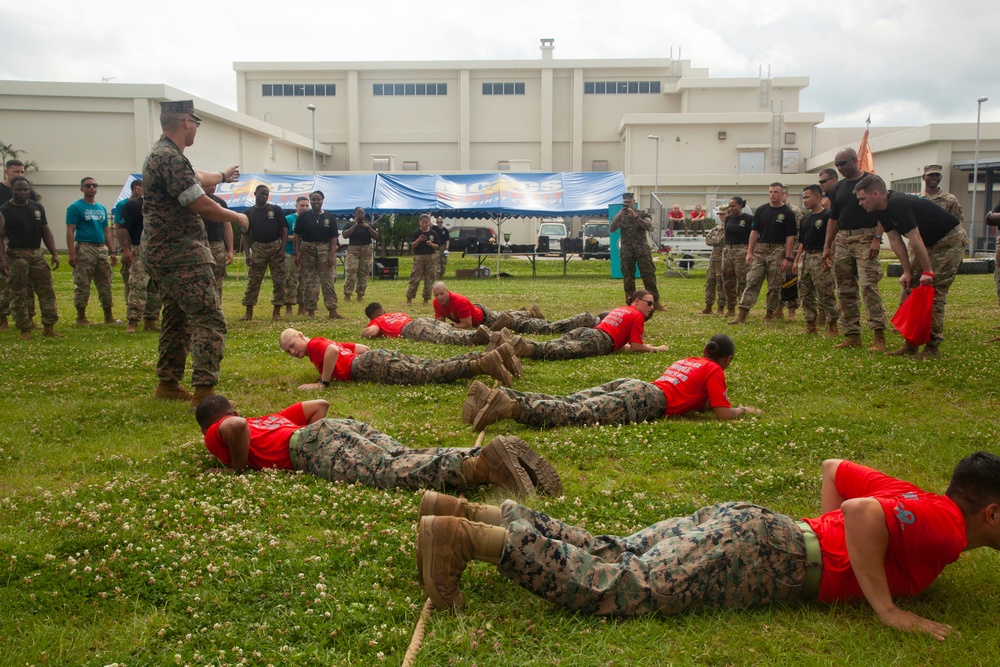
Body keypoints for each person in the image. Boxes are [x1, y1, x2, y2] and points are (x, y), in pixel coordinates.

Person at [418, 451, 1000, 643]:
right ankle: (465, 538)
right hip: (769, 554)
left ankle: (466, 509)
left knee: (616, 551)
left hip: (758, 527)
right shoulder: (948, 527)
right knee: (625, 587)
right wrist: (886, 607)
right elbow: (862, 511)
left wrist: (826, 540)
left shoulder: (921, 499)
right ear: (991, 512)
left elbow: (835, 470)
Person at [195, 396, 561, 497]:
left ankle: (482, 467)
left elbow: (234, 426)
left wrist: (237, 467)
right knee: (401, 457)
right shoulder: (267, 419)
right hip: (332, 426)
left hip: (307, 446)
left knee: (388, 472)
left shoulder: (216, 430)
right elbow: (318, 408)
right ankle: (486, 454)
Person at [141, 99, 249, 405]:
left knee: (177, 318)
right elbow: (200, 203)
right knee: (209, 318)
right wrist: (237, 217)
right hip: (181, 254)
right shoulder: (170, 158)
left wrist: (223, 175)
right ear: (187, 121)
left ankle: (167, 384)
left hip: (162, 254)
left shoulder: (163, 154)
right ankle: (204, 392)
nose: (197, 130)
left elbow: (199, 177)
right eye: (197, 124)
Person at [463, 333, 759, 431]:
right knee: (579, 414)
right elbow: (722, 413)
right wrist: (743, 410)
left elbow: (695, 396)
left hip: (635, 384)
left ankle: (496, 394)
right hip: (649, 400)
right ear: (727, 359)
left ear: (706, 350)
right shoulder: (714, 371)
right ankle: (509, 406)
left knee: (570, 400)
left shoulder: (688, 361)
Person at [854, 175, 965, 359]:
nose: (860, 204)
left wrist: (928, 271)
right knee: (910, 287)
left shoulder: (898, 204)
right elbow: (895, 239)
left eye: (862, 199)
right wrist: (907, 271)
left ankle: (932, 348)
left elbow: (915, 238)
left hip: (948, 239)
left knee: (932, 290)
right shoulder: (880, 208)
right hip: (928, 242)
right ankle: (911, 345)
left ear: (875, 194)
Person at [278, 328, 521, 388]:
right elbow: (360, 346)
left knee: (427, 374)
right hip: (374, 356)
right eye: (288, 352)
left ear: (300, 335)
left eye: (292, 345)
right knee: (431, 365)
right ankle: (492, 352)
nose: (293, 351)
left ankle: (481, 364)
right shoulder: (320, 342)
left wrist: (323, 382)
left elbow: (331, 353)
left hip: (367, 366)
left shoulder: (315, 345)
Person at [822, 148, 887, 351]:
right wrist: (827, 247)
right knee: (844, 290)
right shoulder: (839, 188)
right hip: (843, 240)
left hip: (866, 238)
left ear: (855, 160)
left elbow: (883, 212)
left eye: (843, 163)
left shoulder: (872, 182)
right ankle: (852, 334)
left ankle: (879, 336)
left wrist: (877, 238)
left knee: (869, 288)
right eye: (837, 165)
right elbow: (833, 219)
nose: (840, 168)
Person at [501, 290, 669, 362]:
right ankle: (525, 348)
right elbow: (636, 346)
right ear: (637, 301)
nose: (652, 307)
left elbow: (621, 342)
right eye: (649, 303)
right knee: (560, 351)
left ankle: (512, 342)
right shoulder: (637, 316)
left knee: (558, 342)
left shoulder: (621, 309)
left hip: (590, 331)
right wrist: (657, 349)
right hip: (599, 340)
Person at [0, 176, 62, 338]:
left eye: (26, 189)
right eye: (19, 189)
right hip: (16, 255)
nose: (23, 192)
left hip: (37, 254)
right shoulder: (5, 210)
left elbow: (45, 231)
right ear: (12, 190)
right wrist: (2, 260)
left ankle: (49, 327)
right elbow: (0, 236)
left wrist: (54, 253)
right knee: (19, 293)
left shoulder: (37, 208)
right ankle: (24, 328)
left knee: (46, 291)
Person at [728, 183, 796, 324]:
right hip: (761, 250)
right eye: (770, 192)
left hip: (778, 250)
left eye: (776, 192)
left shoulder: (788, 213)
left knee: (774, 284)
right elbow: (754, 232)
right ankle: (742, 314)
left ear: (782, 193)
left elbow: (790, 237)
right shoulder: (761, 210)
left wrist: (788, 257)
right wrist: (749, 253)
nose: (772, 194)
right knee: (752, 280)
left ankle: (769, 315)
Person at [432, 281, 598, 334]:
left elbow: (467, 325)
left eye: (442, 294)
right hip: (480, 313)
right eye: (437, 295)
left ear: (448, 291)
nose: (440, 298)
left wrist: (450, 326)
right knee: (504, 315)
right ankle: (523, 312)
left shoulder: (459, 301)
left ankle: (527, 314)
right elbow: (439, 323)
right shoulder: (437, 303)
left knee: (511, 323)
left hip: (484, 318)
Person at [66, 177, 118, 326]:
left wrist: (112, 251)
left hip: (101, 248)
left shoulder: (101, 208)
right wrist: (71, 253)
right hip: (85, 247)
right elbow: (70, 230)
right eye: (87, 185)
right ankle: (81, 317)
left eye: (94, 185)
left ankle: (108, 316)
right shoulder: (75, 207)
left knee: (105, 282)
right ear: (82, 189)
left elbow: (106, 230)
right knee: (83, 283)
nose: (91, 188)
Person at [792, 185, 838, 336]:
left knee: (825, 292)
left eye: (807, 197)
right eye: (803, 197)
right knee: (805, 293)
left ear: (818, 197)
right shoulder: (806, 218)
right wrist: (797, 260)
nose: (804, 200)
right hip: (806, 257)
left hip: (821, 256)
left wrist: (829, 257)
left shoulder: (828, 216)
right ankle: (810, 324)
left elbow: (833, 240)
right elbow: (802, 242)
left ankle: (832, 325)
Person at [0, 160, 39, 331]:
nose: (20, 175)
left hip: (26, 244)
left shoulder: (28, 193)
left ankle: (29, 318)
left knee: (27, 282)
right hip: (6, 241)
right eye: (16, 172)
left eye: (22, 172)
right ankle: (2, 318)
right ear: (6, 172)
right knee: (6, 281)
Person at [119, 179, 161, 334]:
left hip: (157, 251)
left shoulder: (160, 205)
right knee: (137, 286)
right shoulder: (133, 204)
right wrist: (125, 249)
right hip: (139, 249)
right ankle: (133, 321)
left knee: (155, 288)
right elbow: (123, 228)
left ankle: (151, 320)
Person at [240, 184, 288, 322]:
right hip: (258, 248)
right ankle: (248, 312)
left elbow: (284, 229)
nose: (264, 196)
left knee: (279, 280)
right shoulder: (248, 213)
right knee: (254, 280)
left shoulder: (276, 210)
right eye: (262, 193)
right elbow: (245, 235)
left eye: (266, 194)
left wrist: (282, 248)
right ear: (255, 194)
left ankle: (277, 312)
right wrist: (247, 255)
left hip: (275, 246)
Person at [294, 190, 343, 320]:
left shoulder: (329, 217)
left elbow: (333, 237)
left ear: (322, 200)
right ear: (310, 201)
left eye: (318, 199)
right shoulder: (304, 217)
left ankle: (332, 310)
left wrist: (332, 255)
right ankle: (310, 311)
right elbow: (297, 235)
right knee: (309, 281)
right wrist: (297, 253)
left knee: (328, 280)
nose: (316, 202)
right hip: (307, 249)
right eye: (314, 199)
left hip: (324, 249)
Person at [610, 193, 664, 310]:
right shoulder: (620, 216)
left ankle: (654, 302)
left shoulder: (642, 214)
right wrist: (619, 216)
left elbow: (649, 227)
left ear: (634, 201)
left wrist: (635, 216)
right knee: (628, 277)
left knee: (648, 276)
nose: (627, 204)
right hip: (627, 251)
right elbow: (612, 228)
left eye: (629, 202)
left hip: (642, 250)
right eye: (625, 202)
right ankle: (631, 303)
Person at [361, 302, 486, 346]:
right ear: (384, 311)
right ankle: (481, 332)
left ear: (371, 317)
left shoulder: (376, 321)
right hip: (419, 321)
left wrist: (364, 333)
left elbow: (371, 332)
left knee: (443, 336)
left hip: (409, 329)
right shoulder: (397, 313)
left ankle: (477, 337)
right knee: (447, 328)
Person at [720, 196, 753, 318]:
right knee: (728, 280)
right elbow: (726, 235)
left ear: (740, 205)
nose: (730, 208)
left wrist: (750, 252)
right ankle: (730, 308)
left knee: (743, 280)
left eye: (733, 206)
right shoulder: (728, 218)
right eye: (729, 206)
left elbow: (753, 236)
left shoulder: (748, 219)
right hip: (728, 250)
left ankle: (743, 309)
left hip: (742, 250)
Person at [113, 179, 143, 307]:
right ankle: (130, 306)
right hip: (131, 244)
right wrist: (124, 249)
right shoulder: (124, 205)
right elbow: (120, 226)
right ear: (137, 188)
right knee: (131, 278)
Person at [777, 186, 804, 320]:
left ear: (786, 195)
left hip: (791, 251)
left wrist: (795, 252)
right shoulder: (772, 210)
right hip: (776, 251)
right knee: (776, 280)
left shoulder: (794, 212)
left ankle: (792, 309)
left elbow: (799, 234)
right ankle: (777, 307)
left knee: (791, 280)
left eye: (780, 193)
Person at [203, 183, 233, 302]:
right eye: (210, 185)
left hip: (217, 244)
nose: (212, 187)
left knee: (218, 278)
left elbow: (227, 226)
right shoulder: (195, 201)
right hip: (200, 243)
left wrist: (230, 250)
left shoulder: (220, 203)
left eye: (215, 185)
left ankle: (216, 307)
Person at [342, 206, 377, 302]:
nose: (360, 215)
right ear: (355, 215)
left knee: (364, 273)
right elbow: (345, 235)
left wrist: (368, 227)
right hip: (353, 250)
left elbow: (376, 236)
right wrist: (354, 225)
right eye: (358, 213)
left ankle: (360, 295)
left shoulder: (368, 225)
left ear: (364, 214)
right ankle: (347, 294)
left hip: (366, 250)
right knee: (351, 272)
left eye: (362, 213)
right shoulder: (349, 224)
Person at [406, 213, 439, 305]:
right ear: (419, 222)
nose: (424, 224)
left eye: (426, 222)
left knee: (429, 279)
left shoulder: (433, 233)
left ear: (429, 222)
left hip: (431, 257)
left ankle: (426, 299)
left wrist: (431, 244)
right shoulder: (415, 233)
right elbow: (412, 246)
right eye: (422, 222)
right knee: (415, 278)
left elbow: (437, 247)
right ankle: (409, 298)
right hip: (419, 257)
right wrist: (419, 240)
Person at [283, 197, 308, 316]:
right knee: (290, 281)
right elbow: (283, 236)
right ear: (296, 206)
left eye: (306, 206)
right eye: (302, 205)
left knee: (304, 281)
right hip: (290, 253)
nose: (304, 208)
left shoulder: (310, 219)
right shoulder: (288, 219)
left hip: (306, 254)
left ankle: (302, 307)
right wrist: (296, 238)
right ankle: (289, 307)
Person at [698, 217, 725, 315]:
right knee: (710, 281)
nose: (722, 216)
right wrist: (718, 240)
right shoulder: (717, 228)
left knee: (721, 283)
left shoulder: (730, 227)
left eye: (723, 214)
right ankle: (708, 306)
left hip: (724, 258)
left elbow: (723, 240)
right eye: (720, 214)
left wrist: (716, 239)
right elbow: (708, 240)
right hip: (713, 258)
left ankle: (720, 307)